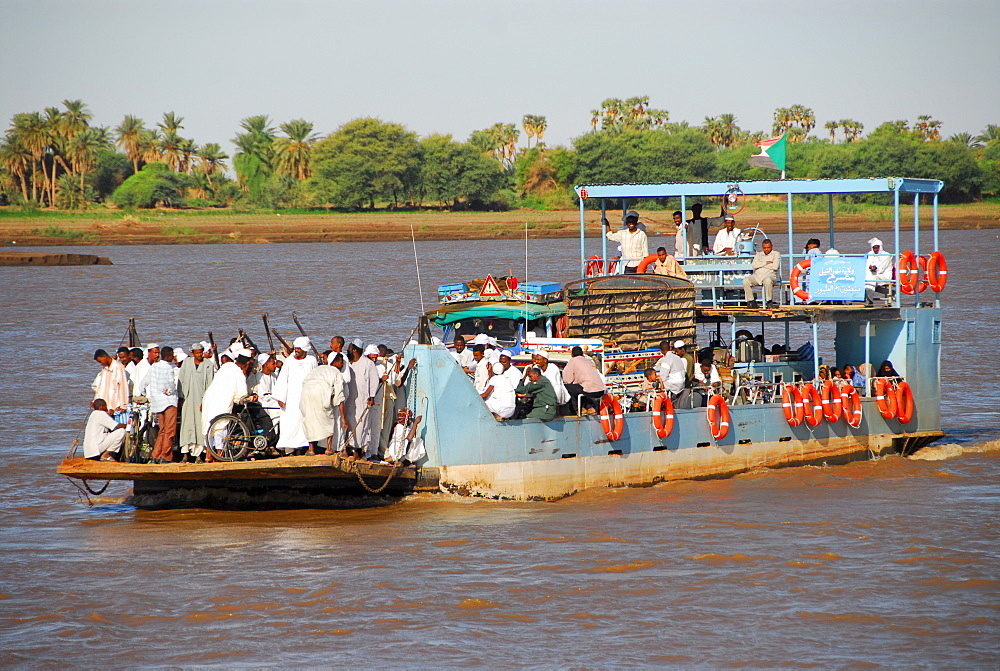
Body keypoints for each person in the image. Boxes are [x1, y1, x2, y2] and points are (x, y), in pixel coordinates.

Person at [201, 349, 254, 462]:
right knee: (221, 427)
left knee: (209, 426)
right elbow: (241, 396)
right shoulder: (238, 373)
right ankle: (218, 455)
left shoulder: (226, 366)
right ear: (247, 362)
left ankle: (208, 456)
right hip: (222, 402)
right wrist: (251, 397)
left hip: (209, 399)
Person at [272, 336, 317, 456]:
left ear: (305, 349)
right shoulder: (289, 361)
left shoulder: (311, 361)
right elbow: (282, 380)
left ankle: (302, 449)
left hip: (306, 398)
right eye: (295, 348)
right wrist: (281, 397)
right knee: (290, 424)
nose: (296, 350)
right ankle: (290, 451)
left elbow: (315, 378)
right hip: (290, 399)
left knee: (305, 424)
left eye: (299, 348)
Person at [299, 351, 348, 455]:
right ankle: (329, 448)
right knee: (328, 418)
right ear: (336, 362)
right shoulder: (336, 372)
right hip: (321, 390)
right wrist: (343, 418)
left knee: (309, 419)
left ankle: (311, 449)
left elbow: (304, 381)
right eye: (341, 362)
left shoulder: (318, 368)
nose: (342, 364)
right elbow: (339, 397)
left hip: (306, 391)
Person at [138, 345, 179, 464]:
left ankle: (155, 455)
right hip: (169, 401)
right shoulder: (169, 368)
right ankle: (165, 456)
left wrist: (144, 393)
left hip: (157, 402)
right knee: (170, 431)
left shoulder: (154, 366)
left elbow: (144, 382)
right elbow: (171, 383)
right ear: (169, 356)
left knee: (162, 430)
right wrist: (170, 391)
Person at [177, 342, 216, 462]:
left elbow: (210, 385)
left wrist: (205, 402)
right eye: (197, 353)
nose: (199, 355)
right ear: (192, 353)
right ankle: (185, 455)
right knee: (187, 426)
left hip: (201, 400)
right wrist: (181, 397)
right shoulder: (187, 363)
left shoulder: (208, 365)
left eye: (200, 352)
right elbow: (181, 380)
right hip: (188, 399)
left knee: (200, 427)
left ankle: (199, 456)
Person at [347, 342, 380, 459]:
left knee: (361, 425)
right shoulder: (348, 363)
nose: (348, 350)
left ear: (355, 350)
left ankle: (358, 451)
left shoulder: (368, 363)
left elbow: (374, 380)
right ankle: (348, 449)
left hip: (362, 399)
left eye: (350, 348)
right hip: (349, 399)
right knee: (349, 423)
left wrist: (371, 397)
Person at [561, 346, 606, 415]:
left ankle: (578, 409)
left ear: (572, 355)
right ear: (582, 354)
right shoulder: (589, 361)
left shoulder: (573, 361)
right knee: (581, 388)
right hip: (600, 390)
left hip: (588, 390)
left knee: (567, 387)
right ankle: (591, 408)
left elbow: (567, 380)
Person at [742, 239, 782, 308]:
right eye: (764, 248)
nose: (766, 249)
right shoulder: (758, 254)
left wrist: (760, 265)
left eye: (768, 247)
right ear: (762, 247)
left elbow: (775, 266)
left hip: (770, 275)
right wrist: (766, 263)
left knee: (768, 281)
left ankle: (769, 301)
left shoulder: (776, 254)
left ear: (772, 246)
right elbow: (754, 265)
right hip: (758, 276)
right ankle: (751, 301)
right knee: (745, 281)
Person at [91, 349, 129, 416]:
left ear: (104, 357)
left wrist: (123, 405)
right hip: (104, 405)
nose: (100, 363)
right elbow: (100, 387)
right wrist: (95, 401)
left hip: (115, 406)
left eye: (100, 361)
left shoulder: (118, 367)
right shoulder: (104, 369)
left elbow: (123, 387)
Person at [657, 340, 690, 407]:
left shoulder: (666, 360)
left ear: (661, 351)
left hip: (673, 387)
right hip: (681, 385)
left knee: (659, 386)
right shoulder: (678, 357)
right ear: (670, 348)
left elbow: (663, 376)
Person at [865, 237, 894, 306]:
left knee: (872, 279)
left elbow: (881, 269)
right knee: (867, 278)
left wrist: (874, 268)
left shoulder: (886, 255)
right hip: (872, 275)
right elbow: (868, 265)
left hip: (884, 276)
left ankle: (869, 301)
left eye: (877, 247)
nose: (876, 249)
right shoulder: (871, 254)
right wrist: (870, 267)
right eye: (874, 248)